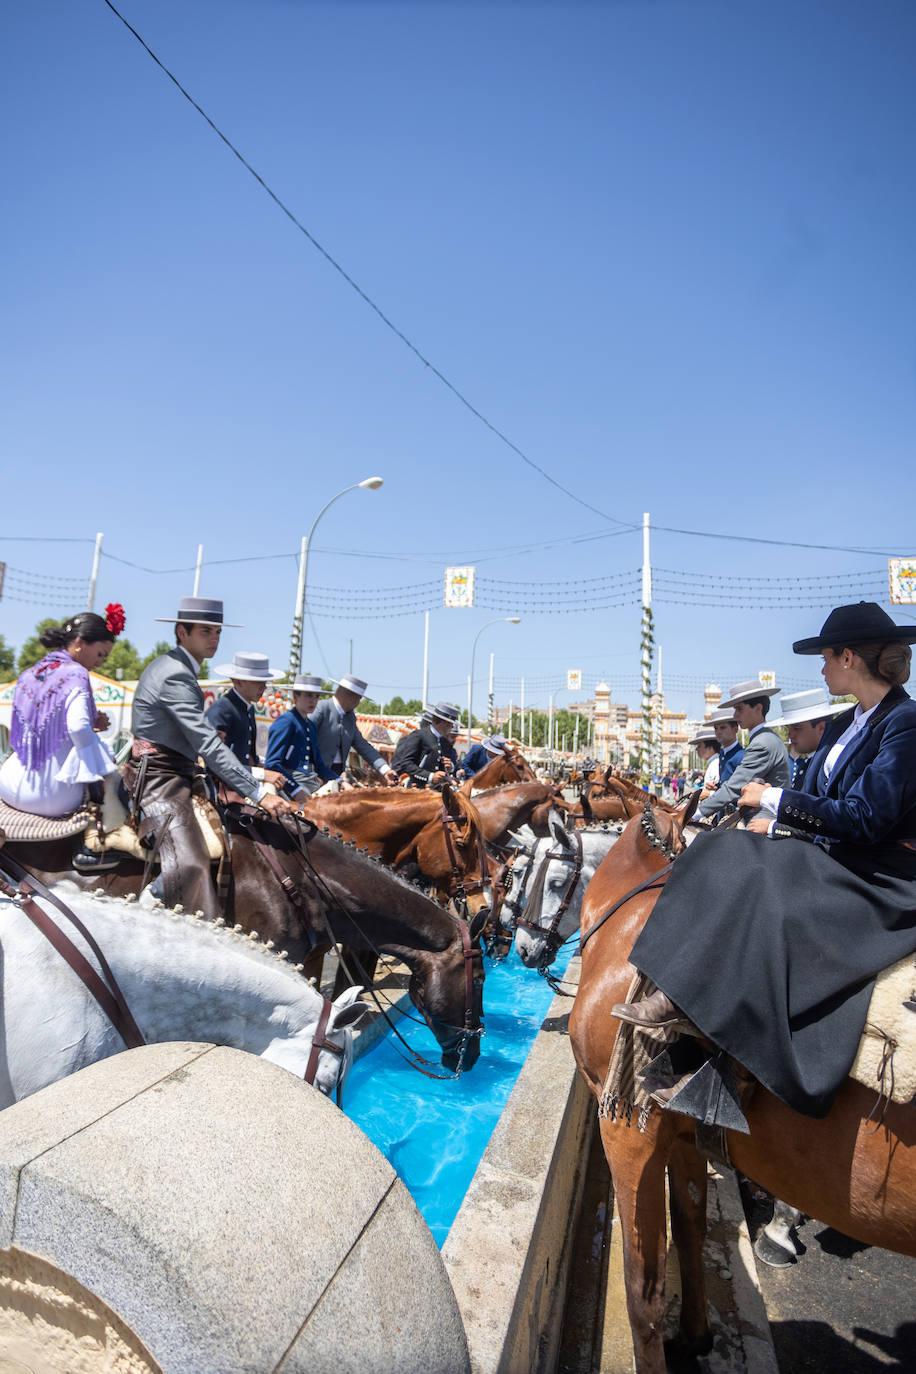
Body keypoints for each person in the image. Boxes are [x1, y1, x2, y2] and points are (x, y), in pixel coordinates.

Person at [613, 602, 916, 1124]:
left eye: (824, 657)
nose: (820, 669)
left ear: (848, 657)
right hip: (838, 858)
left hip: (882, 878)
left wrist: (775, 803)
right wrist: (778, 825)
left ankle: (735, 1057)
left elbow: (866, 817)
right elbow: (824, 803)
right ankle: (680, 993)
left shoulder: (906, 723)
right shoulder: (852, 720)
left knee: (761, 885)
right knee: (717, 849)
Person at [127, 596, 289, 919]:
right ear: (181, 632)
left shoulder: (179, 668)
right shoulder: (175, 673)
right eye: (205, 631)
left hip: (177, 774)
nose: (214, 639)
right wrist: (258, 793)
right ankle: (140, 915)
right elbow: (208, 744)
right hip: (159, 778)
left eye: (217, 632)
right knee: (192, 863)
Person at [0, 607, 123, 871]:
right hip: (48, 795)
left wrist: (90, 725)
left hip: (8, 785)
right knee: (110, 773)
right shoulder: (76, 673)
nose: (101, 662)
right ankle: (90, 849)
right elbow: (78, 727)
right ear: (79, 643)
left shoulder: (33, 672)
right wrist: (98, 768)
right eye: (101, 654)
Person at [695, 679, 789, 820]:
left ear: (758, 708)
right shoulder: (763, 738)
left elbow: (735, 787)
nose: (735, 715)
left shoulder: (762, 743)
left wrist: (695, 813)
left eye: (739, 709)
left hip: (762, 821)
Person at [207, 651, 287, 790]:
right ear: (238, 681)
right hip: (222, 790)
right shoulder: (221, 710)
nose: (264, 687)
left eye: (264, 682)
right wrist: (262, 774)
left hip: (242, 785)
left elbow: (247, 756)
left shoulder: (247, 708)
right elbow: (216, 763)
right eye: (257, 682)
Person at [308, 674, 397, 784]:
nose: (358, 703)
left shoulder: (349, 718)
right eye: (358, 699)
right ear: (351, 697)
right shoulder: (321, 709)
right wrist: (310, 774)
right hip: (313, 774)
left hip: (335, 774)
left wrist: (385, 769)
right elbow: (303, 741)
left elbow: (363, 746)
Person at [265, 674, 336, 799]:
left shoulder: (311, 726)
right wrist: (295, 789)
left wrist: (340, 781)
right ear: (295, 696)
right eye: (308, 695)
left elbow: (319, 765)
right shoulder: (286, 721)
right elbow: (272, 764)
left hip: (311, 782)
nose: (313, 701)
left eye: (316, 697)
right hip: (290, 784)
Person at [767, 687, 848, 788]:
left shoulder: (833, 766)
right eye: (788, 728)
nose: (790, 735)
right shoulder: (809, 764)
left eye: (797, 728)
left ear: (821, 728)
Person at [391, 702, 461, 786]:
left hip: (437, 790)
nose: (452, 726)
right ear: (443, 722)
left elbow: (440, 768)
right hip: (417, 789)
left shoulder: (445, 742)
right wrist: (429, 776)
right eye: (451, 723)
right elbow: (406, 764)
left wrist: (450, 768)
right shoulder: (418, 735)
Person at [709, 707, 744, 783]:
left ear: (735, 729)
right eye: (716, 728)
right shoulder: (722, 754)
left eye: (722, 728)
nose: (718, 732)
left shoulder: (742, 756)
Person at [688, 727, 719, 794]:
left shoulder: (716, 765)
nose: (697, 749)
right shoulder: (713, 764)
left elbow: (720, 791)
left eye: (699, 746)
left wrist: (707, 794)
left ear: (710, 748)